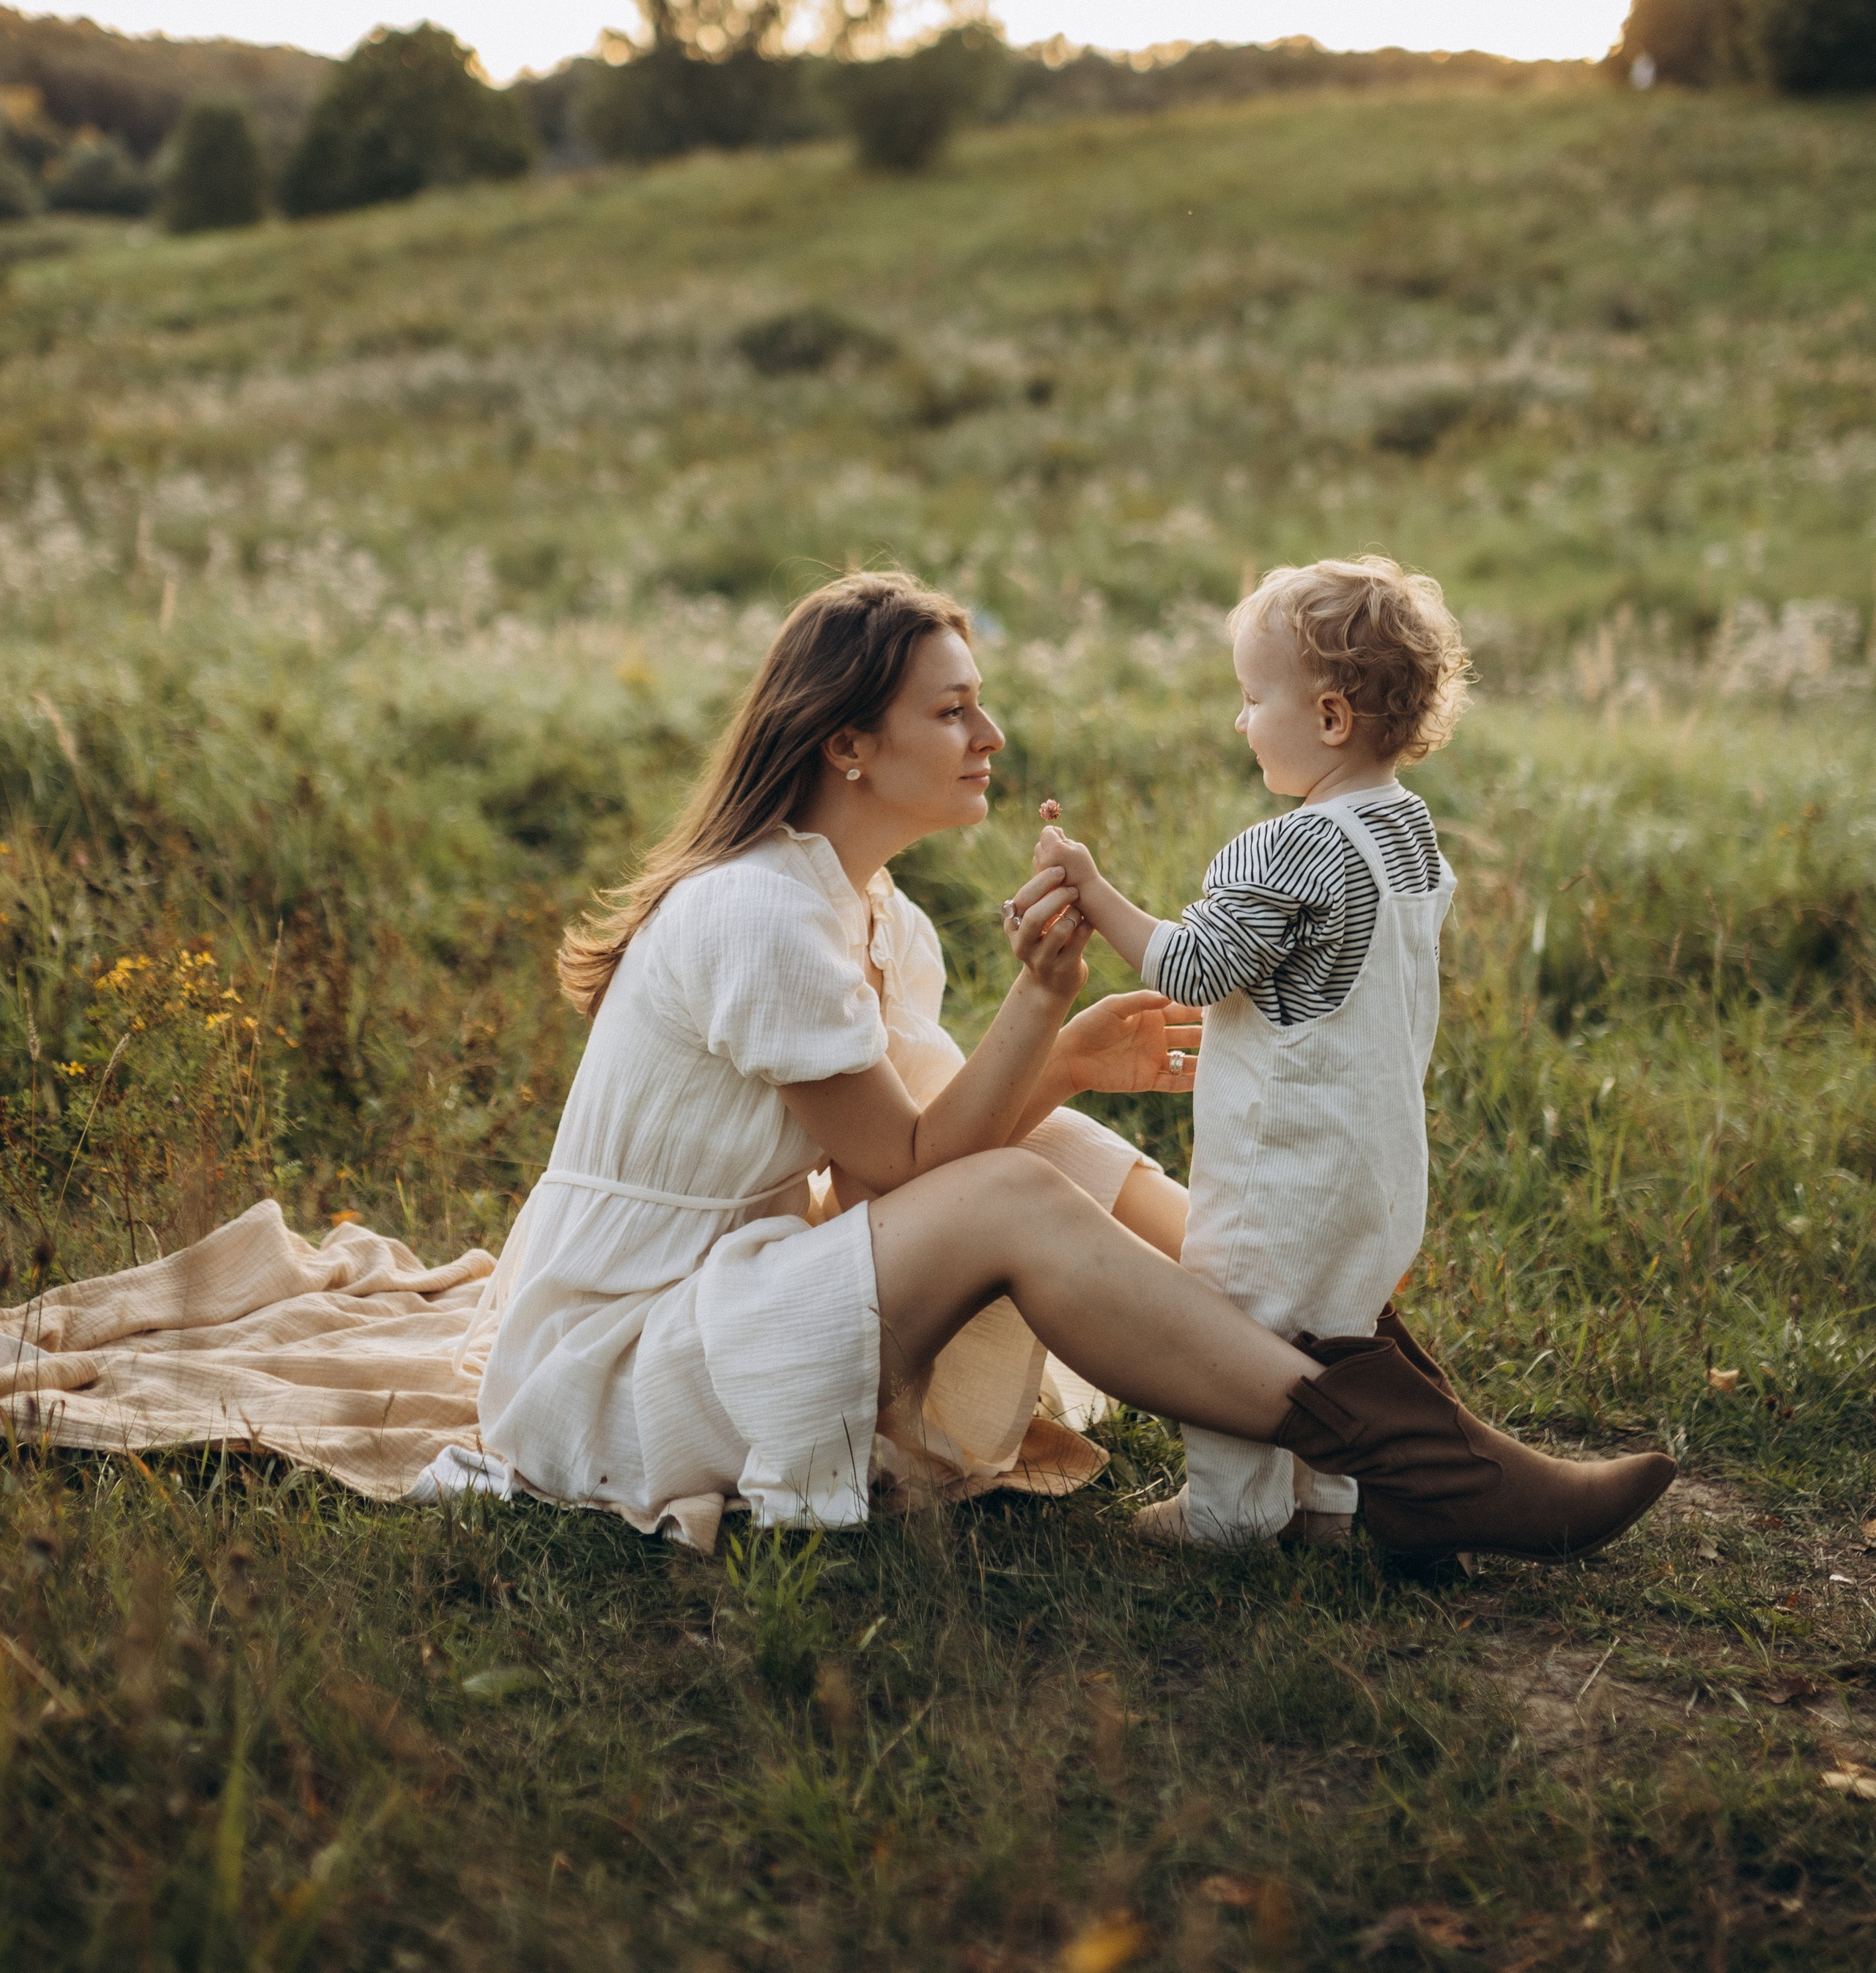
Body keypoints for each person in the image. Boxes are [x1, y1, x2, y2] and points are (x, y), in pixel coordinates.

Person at [477, 569, 1677, 1566]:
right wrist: (1045, 1008)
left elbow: (923, 1150)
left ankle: (1307, 1325)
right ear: (849, 744)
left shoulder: (875, 913)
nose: (991, 737)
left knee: (1044, 1149)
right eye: (953, 712)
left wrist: (1062, 1064)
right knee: (1014, 1189)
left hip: (739, 1293)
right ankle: (1419, 1463)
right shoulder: (758, 914)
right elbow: (912, 1167)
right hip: (628, 1363)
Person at [1030, 555, 1483, 1547]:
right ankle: (1328, 1507)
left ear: (1329, 717)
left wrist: (1095, 891)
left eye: (1251, 698)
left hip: (1288, 1161)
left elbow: (1193, 968)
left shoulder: (1289, 848)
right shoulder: (1409, 834)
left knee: (1236, 1318)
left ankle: (1229, 1512)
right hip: (1380, 1162)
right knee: (1334, 1330)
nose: (1240, 722)